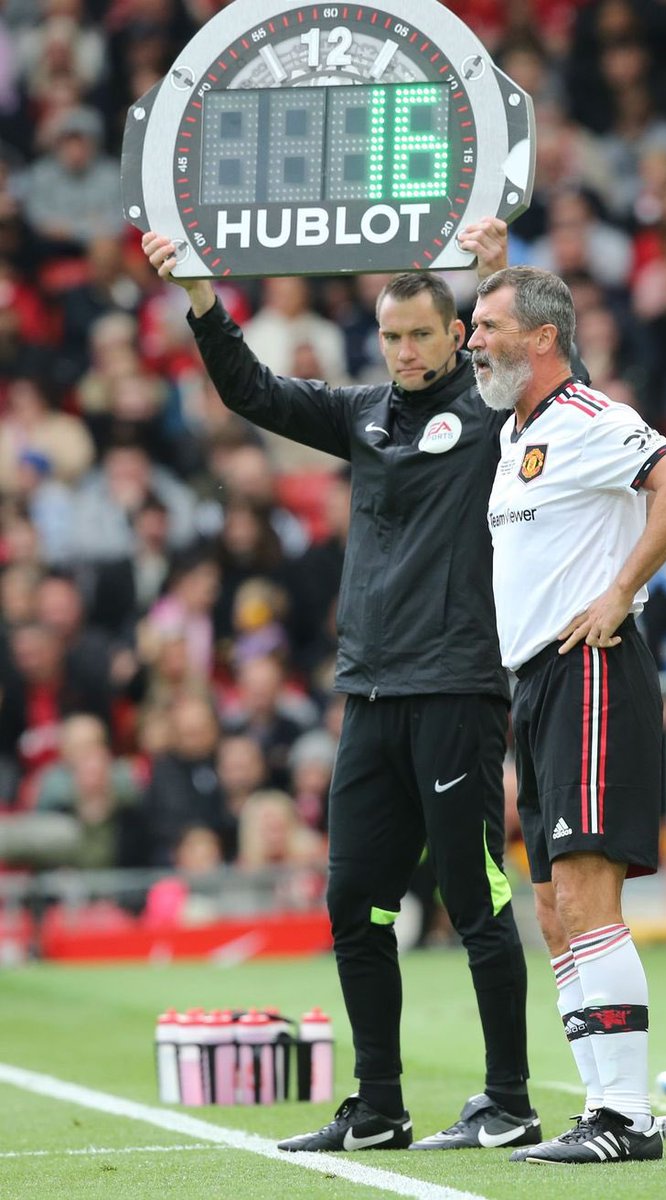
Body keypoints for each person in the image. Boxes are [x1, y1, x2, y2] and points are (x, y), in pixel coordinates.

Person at [141, 221, 540, 1153]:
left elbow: (556, 367)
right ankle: (378, 1105)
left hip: (455, 691)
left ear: (458, 338)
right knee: (354, 903)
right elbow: (252, 391)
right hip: (366, 697)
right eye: (391, 335)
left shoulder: (494, 413)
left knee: (474, 897)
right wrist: (201, 296)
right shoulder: (362, 413)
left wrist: (498, 272)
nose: (404, 351)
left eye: (421, 336)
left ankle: (510, 1099)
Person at [468, 266, 666, 1164]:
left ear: (542, 337)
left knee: (584, 892)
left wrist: (621, 590)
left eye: (487, 324)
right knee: (551, 905)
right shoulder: (514, 434)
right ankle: (602, 1104)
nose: (472, 338)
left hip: (591, 670)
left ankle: (625, 1118)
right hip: (536, 681)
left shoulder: (588, 417)